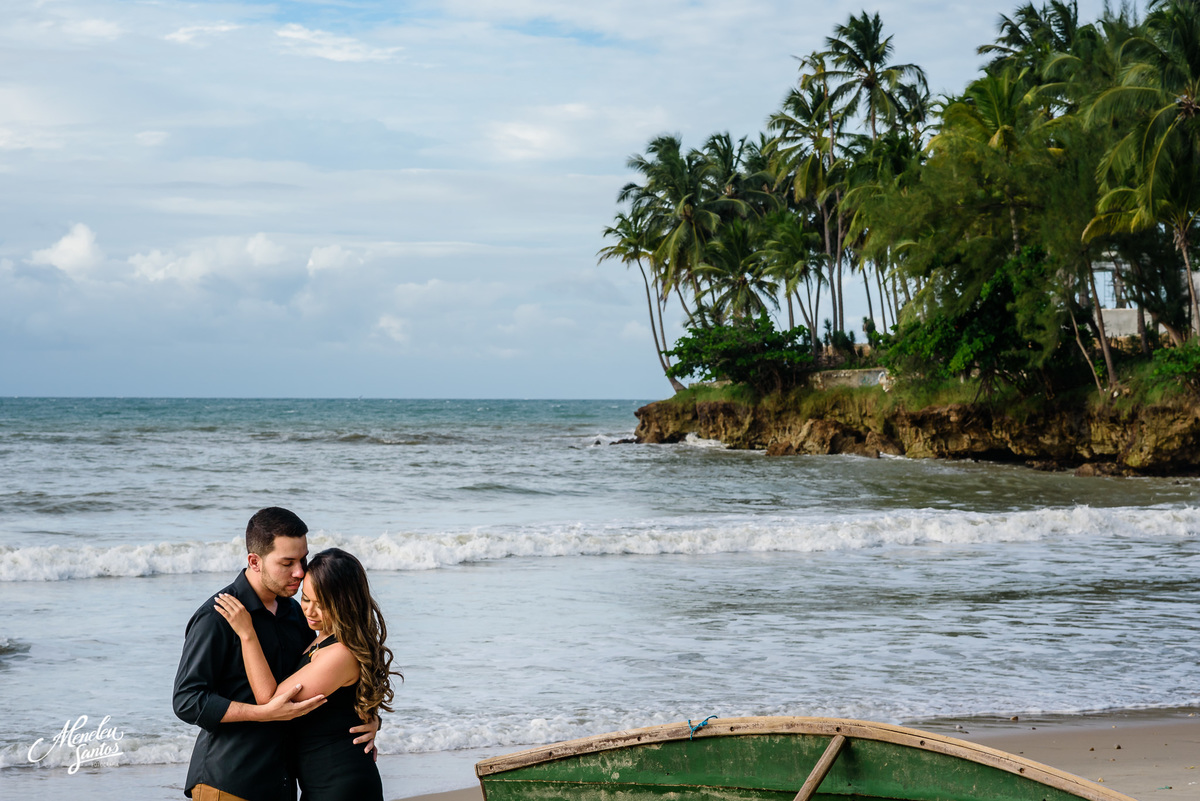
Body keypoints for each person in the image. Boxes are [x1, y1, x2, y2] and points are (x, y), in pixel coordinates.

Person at [173, 508, 378, 801]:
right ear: (254, 561)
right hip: (232, 780)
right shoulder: (217, 617)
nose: (300, 571)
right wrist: (261, 713)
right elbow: (187, 700)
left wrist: (368, 721)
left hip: (283, 782)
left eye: (303, 559)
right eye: (287, 562)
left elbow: (329, 674)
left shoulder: (296, 612)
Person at [214, 548, 398, 801]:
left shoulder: (340, 653)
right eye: (306, 599)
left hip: (340, 785)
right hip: (321, 781)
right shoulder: (322, 638)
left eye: (322, 605)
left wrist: (248, 635)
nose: (310, 611)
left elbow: (270, 700)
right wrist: (372, 720)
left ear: (345, 603)